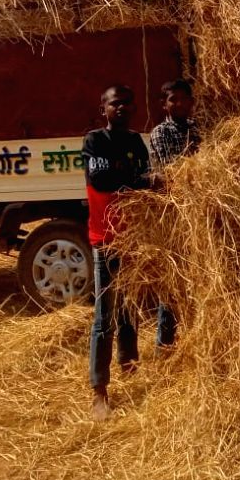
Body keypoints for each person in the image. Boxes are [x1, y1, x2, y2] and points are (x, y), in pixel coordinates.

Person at [83, 84, 157, 420]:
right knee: (104, 318)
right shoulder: (95, 140)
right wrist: (138, 181)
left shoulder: (135, 142)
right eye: (115, 104)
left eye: (128, 103)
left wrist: (131, 179)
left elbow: (147, 178)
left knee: (130, 309)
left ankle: (130, 367)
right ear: (104, 109)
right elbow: (99, 179)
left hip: (134, 239)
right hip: (106, 239)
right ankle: (100, 392)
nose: (122, 108)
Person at [147, 79, 202, 349]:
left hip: (198, 213)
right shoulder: (160, 133)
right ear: (164, 105)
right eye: (173, 100)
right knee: (172, 279)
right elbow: (173, 172)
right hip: (173, 214)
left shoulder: (197, 129)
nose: (179, 104)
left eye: (184, 99)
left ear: (192, 102)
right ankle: (164, 344)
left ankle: (197, 337)